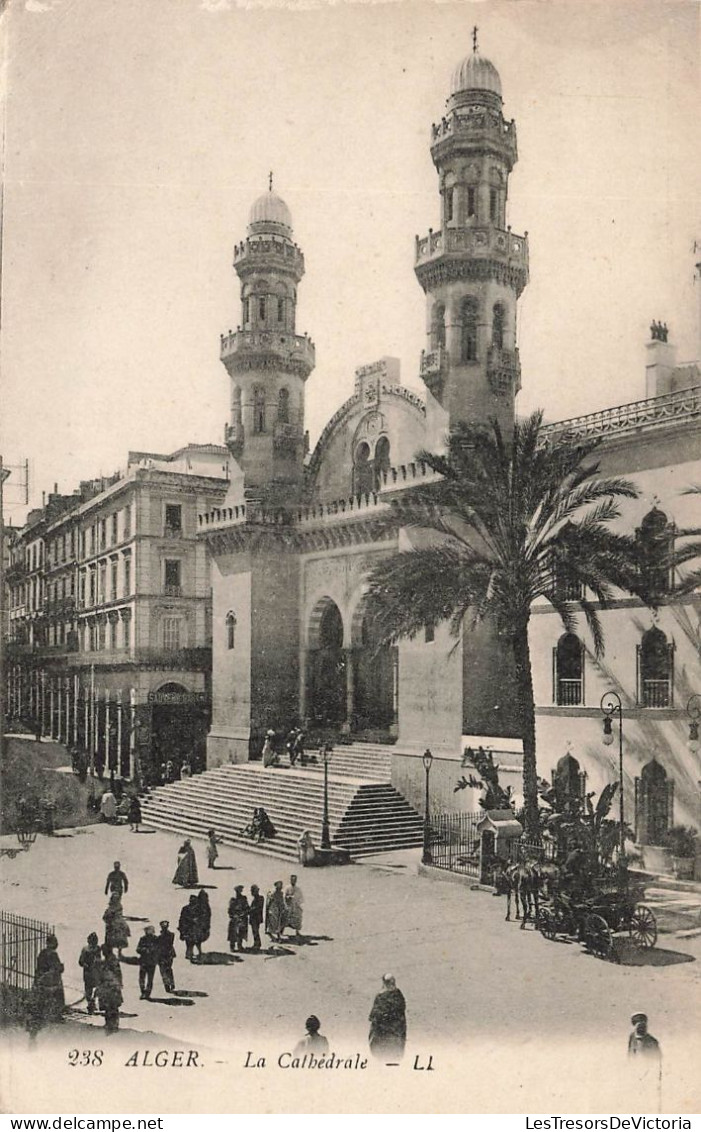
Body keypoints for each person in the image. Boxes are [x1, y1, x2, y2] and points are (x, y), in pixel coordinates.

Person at [628, 1012, 662, 1111]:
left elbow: (657, 1061)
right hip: (635, 1073)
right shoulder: (632, 1038)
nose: (641, 1027)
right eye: (638, 1025)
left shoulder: (652, 1042)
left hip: (649, 1074)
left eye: (643, 1024)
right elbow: (630, 1054)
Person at [368, 974, 407, 1061]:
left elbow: (375, 1016)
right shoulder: (398, 995)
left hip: (383, 1034)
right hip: (396, 1032)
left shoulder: (381, 996)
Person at [33, 935, 65, 1024]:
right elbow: (56, 967)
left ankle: (41, 1015)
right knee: (58, 997)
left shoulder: (42, 952)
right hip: (51, 980)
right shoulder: (53, 954)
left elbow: (39, 966)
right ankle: (57, 1016)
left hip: (42, 978)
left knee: (42, 998)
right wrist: (61, 967)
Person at [96, 944, 123, 1033]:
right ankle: (109, 1023)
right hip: (108, 986)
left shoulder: (112, 960)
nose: (103, 953)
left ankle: (113, 1024)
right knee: (109, 1006)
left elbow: (117, 973)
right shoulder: (107, 960)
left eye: (103, 951)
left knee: (112, 1006)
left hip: (111, 986)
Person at [78, 932, 102, 1015]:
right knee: (90, 988)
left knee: (95, 987)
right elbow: (81, 961)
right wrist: (86, 965)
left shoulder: (97, 949)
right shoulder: (86, 949)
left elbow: (99, 958)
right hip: (89, 971)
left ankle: (92, 1001)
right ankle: (90, 1004)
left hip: (94, 971)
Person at [103, 892, 131, 957]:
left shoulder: (119, 905)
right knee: (110, 930)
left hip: (118, 920)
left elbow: (118, 913)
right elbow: (107, 915)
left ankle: (119, 951)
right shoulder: (110, 906)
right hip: (112, 921)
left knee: (123, 926)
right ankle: (110, 950)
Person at [136, 925, 159, 999]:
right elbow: (138, 949)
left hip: (152, 962)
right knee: (141, 978)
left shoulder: (156, 939)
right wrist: (145, 950)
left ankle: (148, 993)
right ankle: (143, 992)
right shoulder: (142, 939)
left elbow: (158, 950)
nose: (147, 932)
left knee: (150, 979)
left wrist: (152, 951)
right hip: (143, 961)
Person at [178, 895, 201, 961]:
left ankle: (199, 952)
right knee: (189, 941)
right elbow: (182, 918)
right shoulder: (185, 908)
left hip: (195, 928)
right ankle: (189, 953)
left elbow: (202, 917)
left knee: (197, 941)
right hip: (188, 927)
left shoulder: (198, 909)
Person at [227, 885, 249, 952]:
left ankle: (240, 945)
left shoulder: (244, 899)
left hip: (242, 918)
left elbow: (247, 908)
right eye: (237, 891)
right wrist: (233, 916)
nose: (238, 893)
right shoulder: (233, 899)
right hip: (234, 918)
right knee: (233, 932)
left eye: (239, 891)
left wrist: (243, 914)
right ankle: (232, 946)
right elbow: (230, 910)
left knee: (241, 932)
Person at [156, 920, 176, 993]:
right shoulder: (171, 935)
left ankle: (167, 985)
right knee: (169, 969)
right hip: (170, 954)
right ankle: (171, 983)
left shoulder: (159, 937)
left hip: (162, 955)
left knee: (163, 970)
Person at [284, 874, 304, 941]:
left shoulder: (298, 889)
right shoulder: (287, 888)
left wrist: (297, 902)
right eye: (292, 880)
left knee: (298, 916)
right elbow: (284, 896)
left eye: (294, 880)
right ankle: (281, 931)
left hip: (295, 905)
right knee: (285, 917)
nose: (293, 881)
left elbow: (301, 898)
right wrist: (287, 898)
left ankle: (297, 931)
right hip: (288, 905)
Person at [195, 888, 211, 956]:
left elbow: (209, 915)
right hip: (198, 925)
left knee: (199, 939)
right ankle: (195, 951)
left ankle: (199, 951)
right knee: (196, 939)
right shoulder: (197, 905)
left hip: (203, 925)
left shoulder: (206, 905)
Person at [249, 885, 265, 951]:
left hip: (256, 918)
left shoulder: (260, 898)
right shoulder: (256, 899)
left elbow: (257, 908)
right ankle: (256, 943)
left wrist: (249, 910)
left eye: (253, 891)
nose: (252, 893)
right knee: (255, 931)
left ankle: (257, 944)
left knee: (255, 931)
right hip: (254, 918)